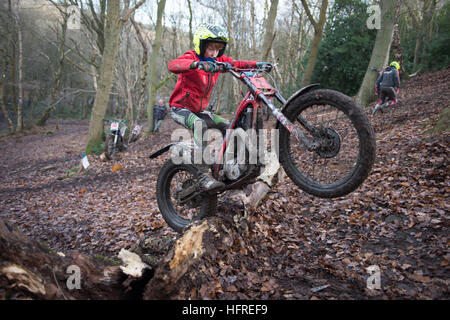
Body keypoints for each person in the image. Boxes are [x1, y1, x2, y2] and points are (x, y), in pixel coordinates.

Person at [168, 24, 272, 192]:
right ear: (200, 45)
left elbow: (237, 63)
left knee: (230, 127)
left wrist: (257, 64)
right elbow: (173, 65)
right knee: (199, 125)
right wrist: (196, 65)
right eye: (210, 48)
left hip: (200, 110)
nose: (214, 53)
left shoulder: (218, 61)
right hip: (180, 108)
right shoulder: (192, 57)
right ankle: (202, 174)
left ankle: (228, 165)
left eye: (218, 49)